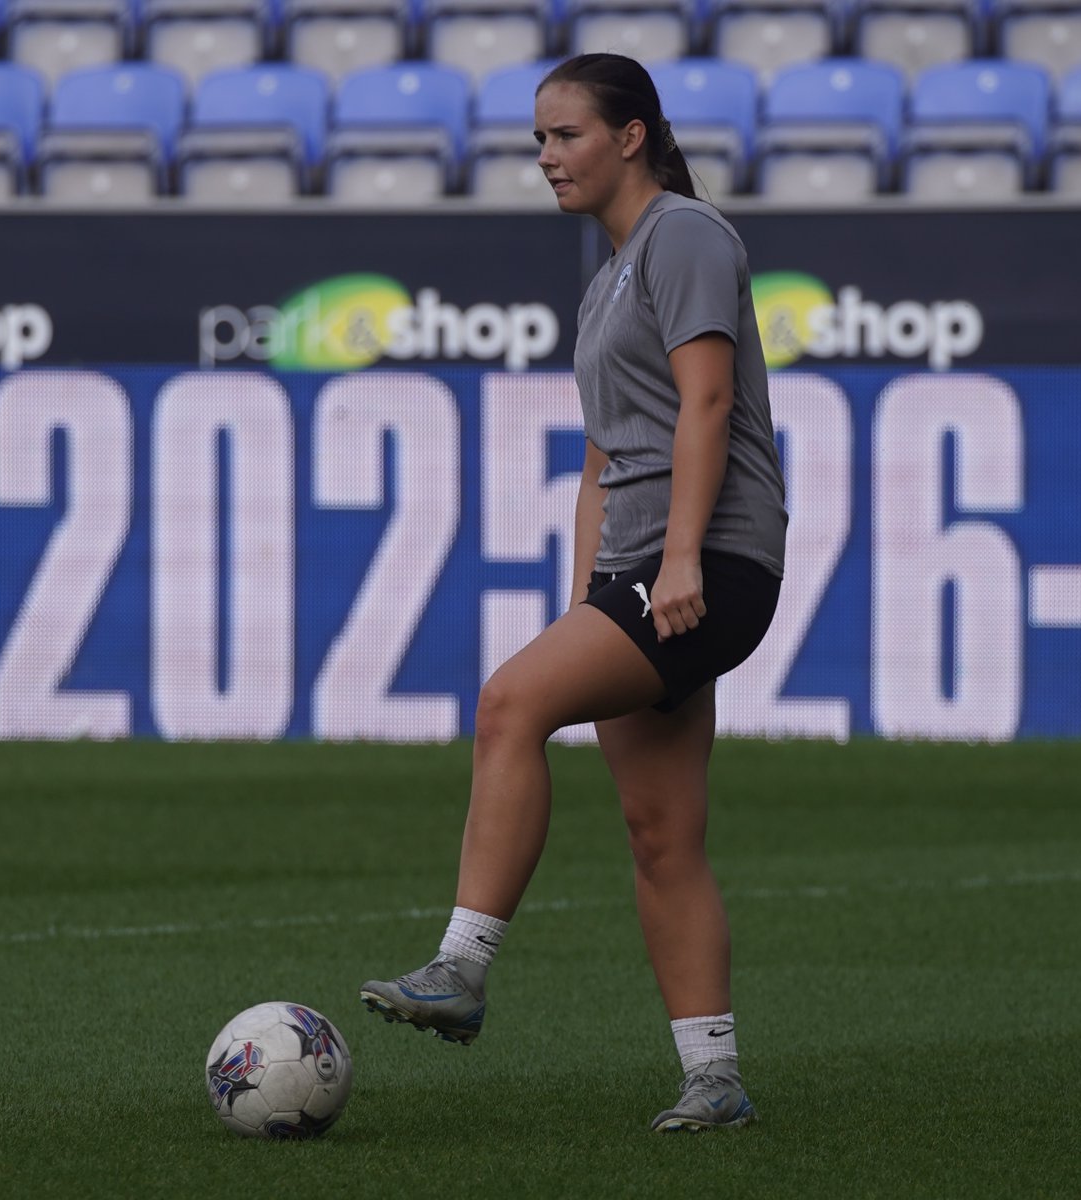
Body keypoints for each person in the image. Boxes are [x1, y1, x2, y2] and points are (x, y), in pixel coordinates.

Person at [360, 52, 787, 1134]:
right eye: (539, 140)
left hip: (709, 565)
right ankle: (715, 1078)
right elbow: (603, 456)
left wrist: (680, 558)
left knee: (509, 704)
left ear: (631, 135)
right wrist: (591, 594)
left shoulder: (683, 234)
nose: (547, 157)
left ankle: (461, 968)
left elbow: (708, 402)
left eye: (566, 135)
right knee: (660, 835)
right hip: (644, 572)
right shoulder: (609, 273)